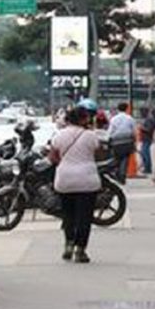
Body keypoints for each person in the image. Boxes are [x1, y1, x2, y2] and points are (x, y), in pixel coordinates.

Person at [49, 102, 101, 263]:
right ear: (84, 119)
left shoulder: (59, 136)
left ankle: (68, 244)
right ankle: (80, 250)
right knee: (84, 217)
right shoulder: (91, 135)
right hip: (87, 180)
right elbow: (97, 153)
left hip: (65, 179)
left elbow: (53, 158)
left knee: (68, 215)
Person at [108, 102, 136, 184]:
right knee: (125, 159)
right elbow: (134, 131)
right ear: (127, 108)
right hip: (127, 141)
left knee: (116, 158)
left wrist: (109, 139)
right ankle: (122, 175)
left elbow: (110, 131)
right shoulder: (130, 118)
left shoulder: (114, 119)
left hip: (116, 142)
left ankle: (116, 172)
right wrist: (134, 141)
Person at [140, 107, 155, 175]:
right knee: (143, 153)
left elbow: (149, 129)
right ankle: (146, 167)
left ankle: (148, 168)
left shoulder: (149, 119)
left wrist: (142, 128)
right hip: (145, 138)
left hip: (147, 138)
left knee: (145, 153)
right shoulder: (148, 119)